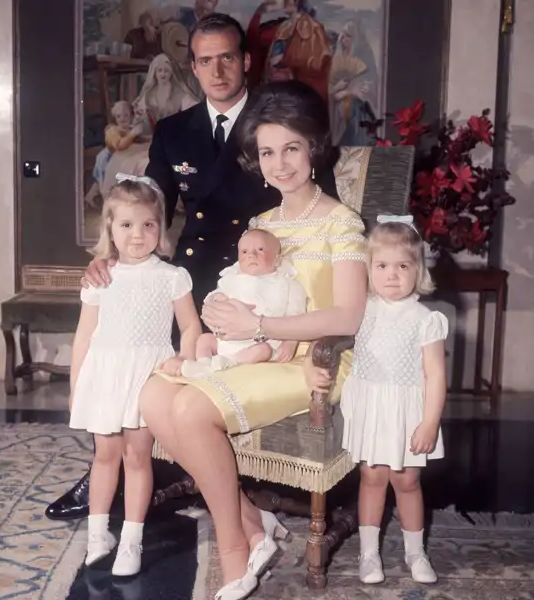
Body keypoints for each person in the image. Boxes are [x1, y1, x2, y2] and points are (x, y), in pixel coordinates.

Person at [45, 14, 339, 521]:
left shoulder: (274, 127)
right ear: (194, 68)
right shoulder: (175, 132)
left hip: (262, 278)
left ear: (246, 61)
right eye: (206, 61)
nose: (218, 70)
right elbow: (147, 202)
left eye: (228, 57)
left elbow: (318, 206)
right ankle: (110, 466)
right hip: (192, 273)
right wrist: (108, 256)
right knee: (136, 344)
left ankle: (205, 480)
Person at [134, 81, 368, 599]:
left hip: (316, 363)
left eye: (291, 148)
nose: (279, 164)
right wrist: (220, 319)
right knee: (152, 396)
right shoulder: (261, 224)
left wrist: (259, 327)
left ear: (314, 149)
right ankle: (254, 524)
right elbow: (243, 296)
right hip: (258, 355)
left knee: (192, 410)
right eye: (267, 152)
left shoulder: (341, 224)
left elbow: (349, 316)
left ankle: (236, 546)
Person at [69, 173, 201, 576]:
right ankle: (97, 536)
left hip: (147, 376)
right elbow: (83, 336)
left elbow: (192, 326)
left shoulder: (171, 276)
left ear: (160, 227)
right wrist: (76, 387)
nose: (138, 234)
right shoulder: (101, 278)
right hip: (106, 375)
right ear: (110, 227)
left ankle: (131, 538)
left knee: (137, 456)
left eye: (148, 224)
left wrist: (184, 358)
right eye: (126, 225)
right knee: (104, 455)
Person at [340, 215, 447, 586]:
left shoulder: (425, 318)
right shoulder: (361, 311)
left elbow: (435, 375)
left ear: (418, 270)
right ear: (368, 269)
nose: (392, 275)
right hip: (370, 406)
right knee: (372, 477)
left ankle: (415, 551)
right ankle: (369, 553)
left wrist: (429, 421)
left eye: (403, 266)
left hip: (407, 413)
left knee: (406, 480)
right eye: (382, 265)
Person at [181, 228, 307, 377]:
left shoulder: (288, 285)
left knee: (263, 351)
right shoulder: (230, 279)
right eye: (244, 252)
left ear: (277, 259)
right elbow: (212, 298)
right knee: (204, 340)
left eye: (260, 250)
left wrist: (290, 342)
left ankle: (230, 362)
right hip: (225, 341)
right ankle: (204, 365)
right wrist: (216, 299)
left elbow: (296, 316)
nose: (251, 255)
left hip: (258, 343)